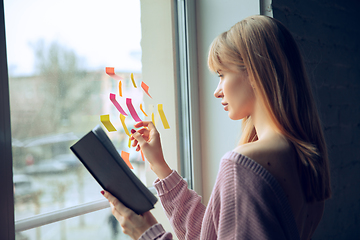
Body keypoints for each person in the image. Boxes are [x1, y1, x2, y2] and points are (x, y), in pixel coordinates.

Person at [101, 15, 331, 240]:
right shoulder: (304, 156)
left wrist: (147, 234)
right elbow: (211, 233)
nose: (217, 90)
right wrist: (159, 165)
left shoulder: (243, 165)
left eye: (222, 75)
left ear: (254, 72)